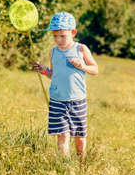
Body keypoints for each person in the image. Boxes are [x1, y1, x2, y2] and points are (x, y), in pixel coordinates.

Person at [33, 11, 98, 161]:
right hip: (57, 100)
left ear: (73, 33)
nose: (58, 39)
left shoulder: (81, 49)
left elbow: (95, 70)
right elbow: (53, 74)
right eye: (55, 36)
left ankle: (81, 162)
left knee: (79, 137)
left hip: (77, 101)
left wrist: (82, 66)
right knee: (62, 134)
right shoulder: (53, 52)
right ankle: (65, 166)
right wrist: (45, 71)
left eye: (63, 36)